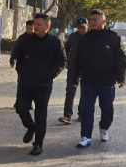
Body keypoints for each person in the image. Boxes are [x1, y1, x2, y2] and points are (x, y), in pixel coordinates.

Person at [72, 9, 126, 148]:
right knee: (86, 110)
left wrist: (121, 77)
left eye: (95, 20)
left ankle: (104, 128)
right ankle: (85, 136)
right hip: (88, 81)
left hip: (106, 81)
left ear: (103, 21)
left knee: (107, 109)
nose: (92, 22)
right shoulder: (84, 38)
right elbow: (77, 60)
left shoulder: (113, 38)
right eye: (91, 20)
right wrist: (75, 78)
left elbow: (121, 59)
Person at [15, 13, 66, 156]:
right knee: (21, 108)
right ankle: (31, 127)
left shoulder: (55, 42)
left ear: (47, 26)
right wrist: (21, 71)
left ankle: (38, 143)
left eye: (39, 25)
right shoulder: (26, 40)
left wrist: (49, 75)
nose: (35, 27)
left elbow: (62, 62)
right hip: (25, 83)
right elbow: (18, 56)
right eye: (34, 24)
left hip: (43, 85)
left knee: (41, 115)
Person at [59, 18, 89, 125]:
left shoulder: (92, 37)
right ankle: (67, 115)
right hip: (73, 68)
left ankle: (81, 113)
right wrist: (66, 61)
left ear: (87, 26)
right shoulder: (73, 36)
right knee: (70, 91)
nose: (81, 30)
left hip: (87, 69)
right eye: (79, 27)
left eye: (83, 27)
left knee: (85, 92)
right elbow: (66, 50)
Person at [10, 19, 35, 109]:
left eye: (32, 28)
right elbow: (15, 49)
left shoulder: (37, 39)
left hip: (33, 67)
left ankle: (29, 103)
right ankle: (18, 102)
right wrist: (12, 59)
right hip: (22, 66)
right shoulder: (21, 38)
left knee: (31, 85)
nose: (30, 30)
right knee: (21, 84)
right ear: (26, 28)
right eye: (28, 28)